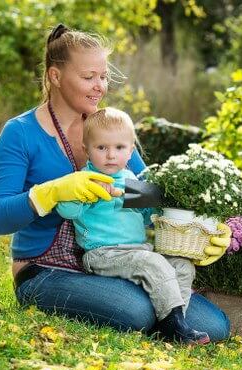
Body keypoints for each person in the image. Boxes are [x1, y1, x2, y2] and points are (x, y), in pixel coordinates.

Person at [0, 24, 232, 341]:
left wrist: (201, 225)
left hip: (122, 258)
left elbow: (148, 194)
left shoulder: (111, 130)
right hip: (46, 271)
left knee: (214, 325)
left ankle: (173, 325)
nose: (99, 86)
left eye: (103, 76)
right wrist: (51, 192)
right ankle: (160, 318)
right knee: (138, 312)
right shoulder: (20, 132)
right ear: (55, 77)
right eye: (88, 77)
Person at [55, 107, 209, 344]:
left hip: (137, 251)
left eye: (119, 148)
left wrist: (162, 201)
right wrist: (84, 194)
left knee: (183, 265)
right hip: (103, 254)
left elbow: (148, 217)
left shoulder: (132, 181)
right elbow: (67, 210)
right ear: (86, 150)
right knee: (152, 263)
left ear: (130, 152)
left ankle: (173, 325)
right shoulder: (86, 180)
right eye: (101, 148)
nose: (110, 155)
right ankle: (174, 327)